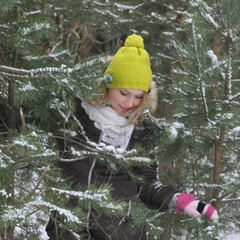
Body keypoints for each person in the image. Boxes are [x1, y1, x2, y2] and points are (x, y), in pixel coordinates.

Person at [46, 34, 219, 240]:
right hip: (69, 230)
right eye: (124, 92)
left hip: (122, 233)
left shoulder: (141, 131)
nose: (130, 103)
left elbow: (146, 185)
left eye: (138, 96)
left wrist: (179, 200)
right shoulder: (74, 115)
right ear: (107, 85)